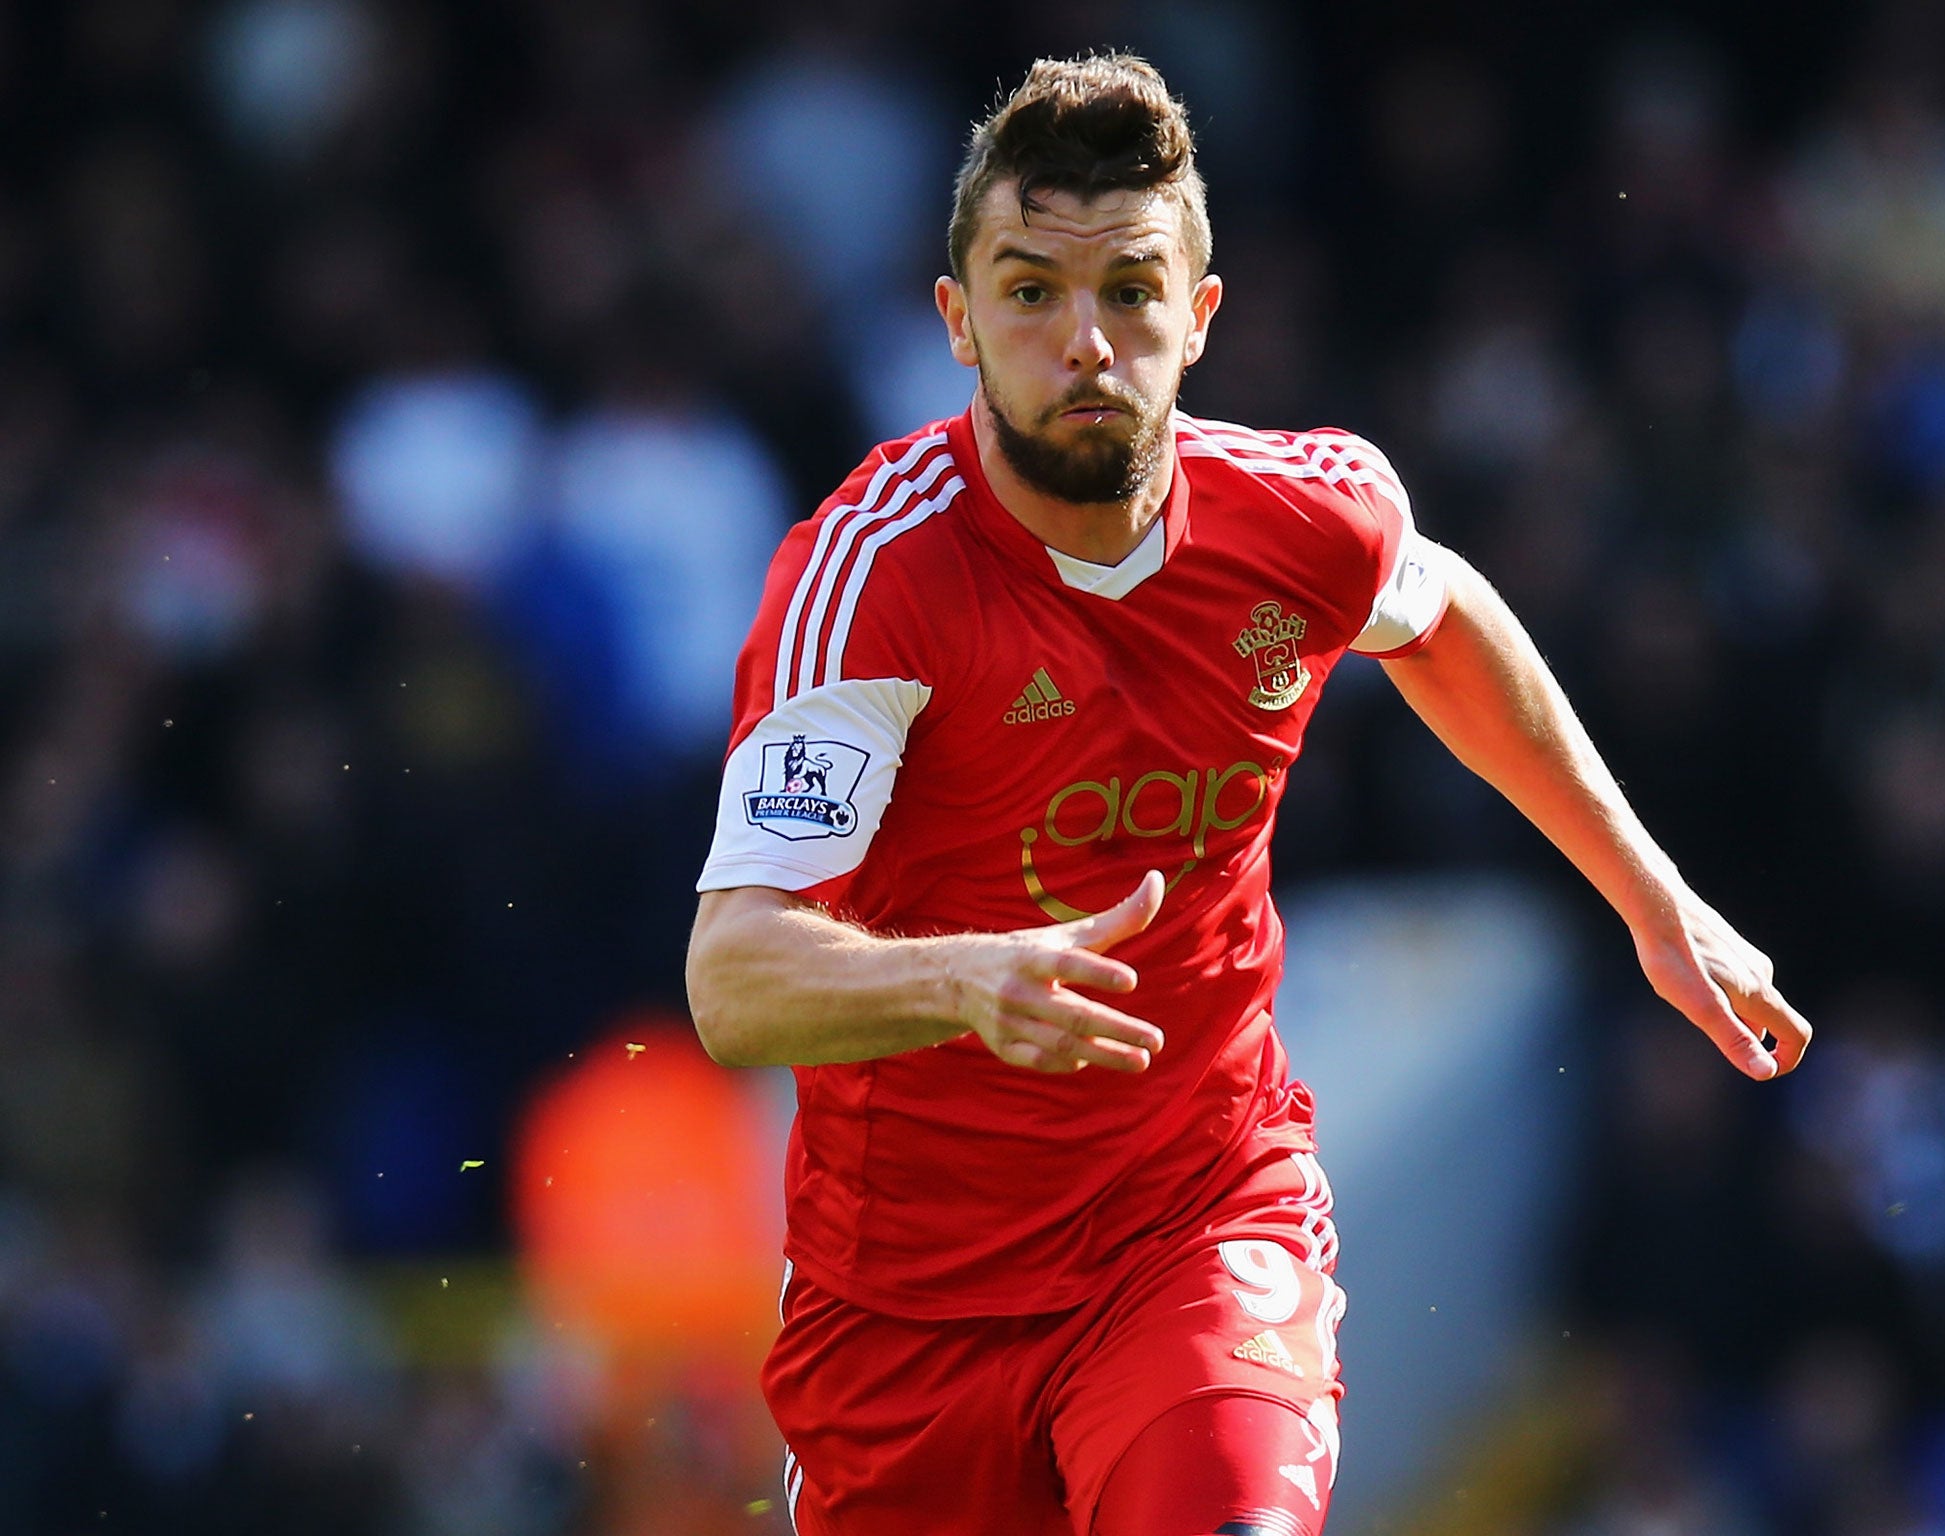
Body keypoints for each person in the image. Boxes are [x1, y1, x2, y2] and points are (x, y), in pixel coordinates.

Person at [685, 52, 1811, 1536]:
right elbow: (733, 979)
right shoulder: (872, 584)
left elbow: (1443, 614)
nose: (1085, 342)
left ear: (1199, 318)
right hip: (911, 1312)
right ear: (958, 321)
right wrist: (966, 981)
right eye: (1031, 292)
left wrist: (1650, 899)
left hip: (1196, 1228)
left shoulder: (1305, 518)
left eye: (1132, 290)